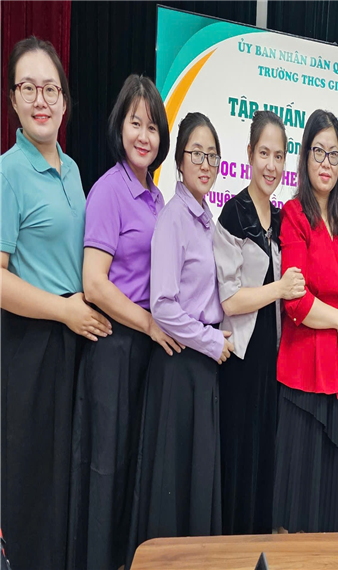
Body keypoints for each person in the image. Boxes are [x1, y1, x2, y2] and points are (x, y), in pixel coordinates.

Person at [0, 36, 112, 570]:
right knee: (33, 487)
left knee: (67, 480)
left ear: (65, 101)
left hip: (73, 343)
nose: (40, 100)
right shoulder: (8, 172)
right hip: (32, 345)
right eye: (29, 88)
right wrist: (64, 309)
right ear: (13, 99)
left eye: (51, 89)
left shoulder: (73, 169)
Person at [67, 74, 176, 570]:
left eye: (152, 127)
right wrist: (149, 323)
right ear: (120, 126)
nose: (143, 136)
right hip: (114, 346)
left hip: (145, 353)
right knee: (105, 473)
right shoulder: (109, 190)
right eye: (136, 123)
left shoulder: (157, 196)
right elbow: (94, 283)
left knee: (134, 469)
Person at [128, 112, 234, 563]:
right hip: (178, 367)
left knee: (196, 479)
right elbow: (164, 305)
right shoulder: (174, 217)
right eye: (197, 154)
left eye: (212, 156)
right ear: (180, 160)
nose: (205, 165)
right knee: (173, 482)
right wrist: (211, 341)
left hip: (200, 366)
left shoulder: (206, 217)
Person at [214, 110, 305, 535]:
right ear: (249, 153)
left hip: (275, 357)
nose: (271, 165)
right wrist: (278, 289)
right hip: (241, 357)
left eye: (279, 156)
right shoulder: (234, 214)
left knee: (267, 453)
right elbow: (230, 300)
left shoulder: (284, 220)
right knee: (239, 453)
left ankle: (259, 546)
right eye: (264, 153)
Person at [273, 109, 338, 533]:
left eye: (334, 154)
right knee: (297, 498)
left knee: (325, 500)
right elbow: (296, 301)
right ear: (305, 157)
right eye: (318, 152)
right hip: (302, 369)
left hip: (337, 373)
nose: (326, 163)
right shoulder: (293, 214)